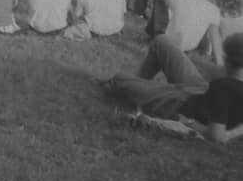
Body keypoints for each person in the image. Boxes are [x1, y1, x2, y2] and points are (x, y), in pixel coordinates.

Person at [103, 32, 243, 143]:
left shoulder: (223, 87)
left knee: (119, 77)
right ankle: (140, 86)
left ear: (227, 61)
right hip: (201, 90)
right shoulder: (226, 84)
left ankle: (136, 88)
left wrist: (190, 123)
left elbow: (217, 136)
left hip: (179, 104)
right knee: (161, 42)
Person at [150, 0, 221, 53]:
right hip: (192, 46)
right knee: (208, 26)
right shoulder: (214, 9)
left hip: (170, 42)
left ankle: (155, 33)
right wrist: (219, 62)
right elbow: (215, 37)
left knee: (160, 2)